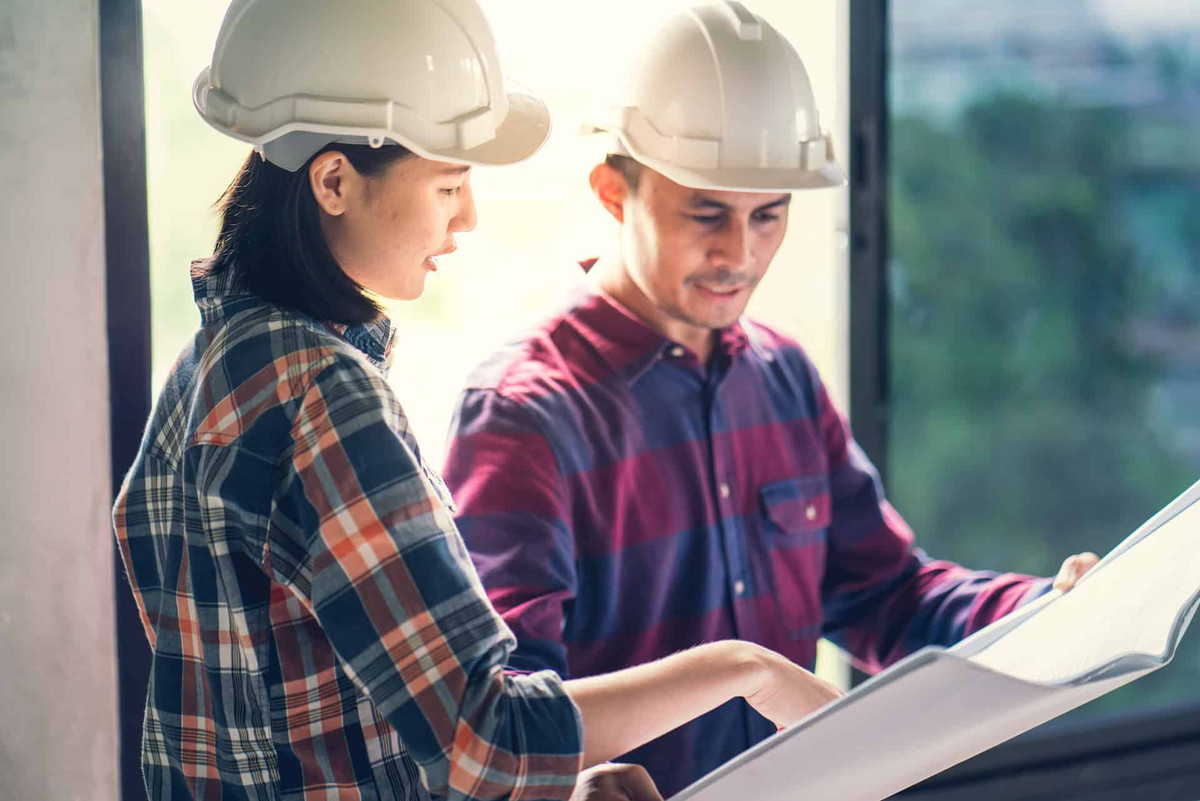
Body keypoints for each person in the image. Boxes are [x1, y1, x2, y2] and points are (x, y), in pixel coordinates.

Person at [111, 2, 844, 799]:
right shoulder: (326, 396)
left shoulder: (209, 367)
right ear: (333, 181)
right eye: (450, 183)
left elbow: (310, 722)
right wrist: (739, 668)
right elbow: (482, 743)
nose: (467, 216)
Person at [442, 2, 1099, 796]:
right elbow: (505, 722)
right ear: (615, 192)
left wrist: (1042, 610)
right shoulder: (522, 417)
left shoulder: (782, 377)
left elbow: (888, 597)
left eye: (769, 215)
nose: (739, 254)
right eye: (707, 213)